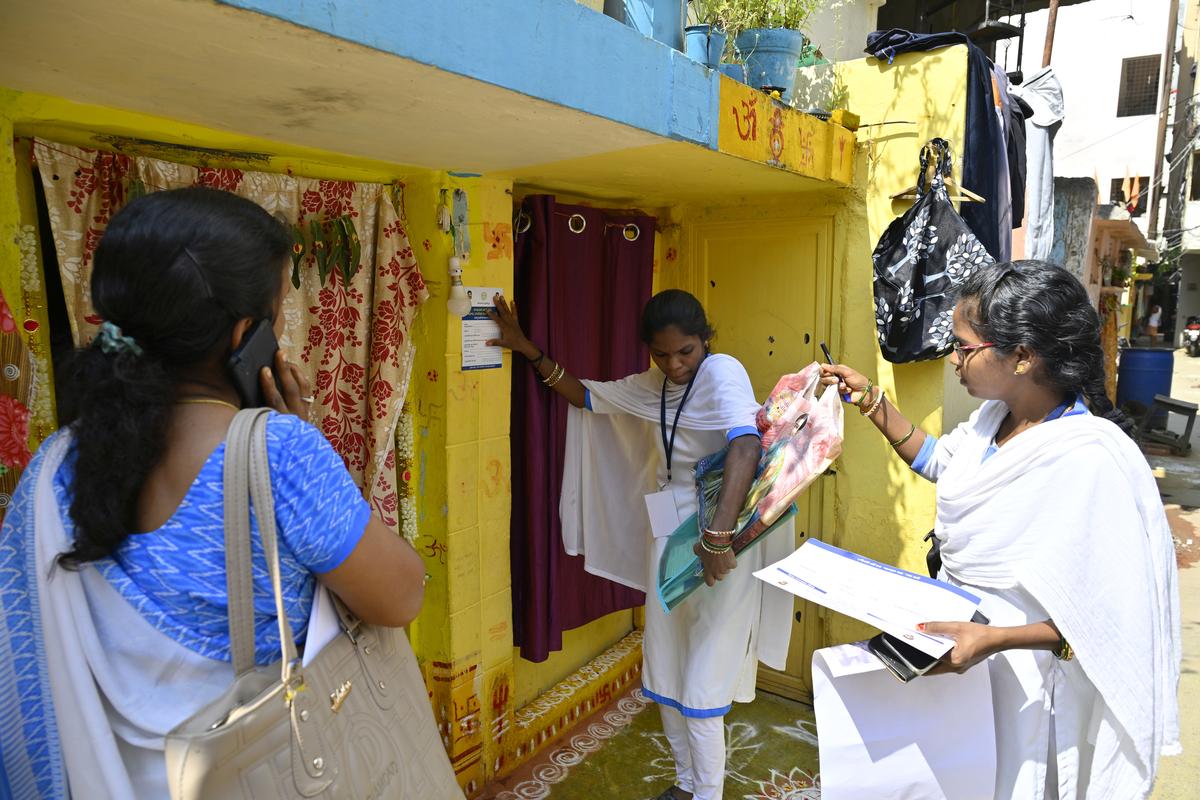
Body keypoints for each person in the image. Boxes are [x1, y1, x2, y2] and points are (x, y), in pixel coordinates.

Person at [0, 187, 427, 799]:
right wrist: (300, 442)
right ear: (244, 336)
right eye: (276, 316)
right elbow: (401, 595)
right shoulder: (281, 454)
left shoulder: (57, 463)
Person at [820, 260, 1181, 798]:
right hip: (964, 661)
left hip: (1027, 682)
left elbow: (1111, 623)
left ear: (1023, 357)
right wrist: (872, 401)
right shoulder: (994, 420)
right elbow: (945, 462)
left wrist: (996, 640)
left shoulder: (1090, 460)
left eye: (964, 347)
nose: (953, 358)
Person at [488, 289, 792, 800]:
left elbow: (744, 443)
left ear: (705, 340)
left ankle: (708, 795)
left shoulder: (722, 372)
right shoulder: (654, 385)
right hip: (669, 538)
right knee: (666, 664)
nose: (674, 365)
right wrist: (527, 349)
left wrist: (717, 538)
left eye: (685, 352)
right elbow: (587, 395)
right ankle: (684, 783)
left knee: (703, 678)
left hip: (720, 541)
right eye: (661, 354)